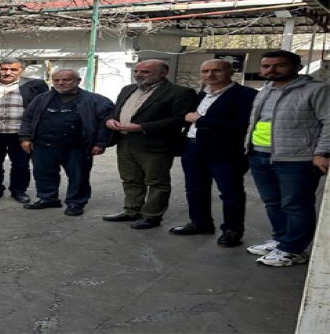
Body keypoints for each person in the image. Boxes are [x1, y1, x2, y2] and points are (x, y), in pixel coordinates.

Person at [244, 50, 330, 266]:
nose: (271, 70)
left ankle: (294, 249)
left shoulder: (317, 90)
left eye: (279, 65)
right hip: (260, 154)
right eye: (266, 66)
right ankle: (281, 240)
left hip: (296, 158)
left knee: (296, 204)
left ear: (297, 67)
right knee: (272, 202)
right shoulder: (265, 90)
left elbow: (329, 121)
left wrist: (322, 152)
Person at [168, 60, 257, 247]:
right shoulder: (202, 94)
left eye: (216, 71)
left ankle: (232, 230)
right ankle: (200, 223)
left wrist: (202, 120)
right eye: (205, 71)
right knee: (194, 189)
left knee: (230, 193)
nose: (210, 75)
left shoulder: (246, 95)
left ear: (231, 72)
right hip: (193, 148)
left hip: (225, 151)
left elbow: (243, 126)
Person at [103, 59, 196, 229]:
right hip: (125, 141)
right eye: (136, 71)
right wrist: (110, 120)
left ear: (163, 73)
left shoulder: (180, 92)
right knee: (130, 178)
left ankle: (152, 215)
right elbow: (116, 110)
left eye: (145, 72)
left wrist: (142, 127)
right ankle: (132, 210)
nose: (138, 75)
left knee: (156, 182)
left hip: (155, 145)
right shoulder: (128, 89)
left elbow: (179, 120)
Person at [18, 69, 114, 216]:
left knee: (78, 176)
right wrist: (25, 138)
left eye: (66, 80)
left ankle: (76, 203)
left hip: (77, 147)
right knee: (43, 174)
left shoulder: (96, 101)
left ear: (78, 81)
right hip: (44, 145)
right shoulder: (41, 98)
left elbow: (105, 123)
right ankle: (48, 198)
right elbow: (28, 118)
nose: (60, 83)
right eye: (56, 80)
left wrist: (100, 143)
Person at [0, 58, 48, 204]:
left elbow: (42, 110)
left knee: (21, 164)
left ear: (22, 70)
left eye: (13, 69)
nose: (8, 72)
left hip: (21, 134)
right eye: (4, 69)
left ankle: (18, 190)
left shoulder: (35, 85)